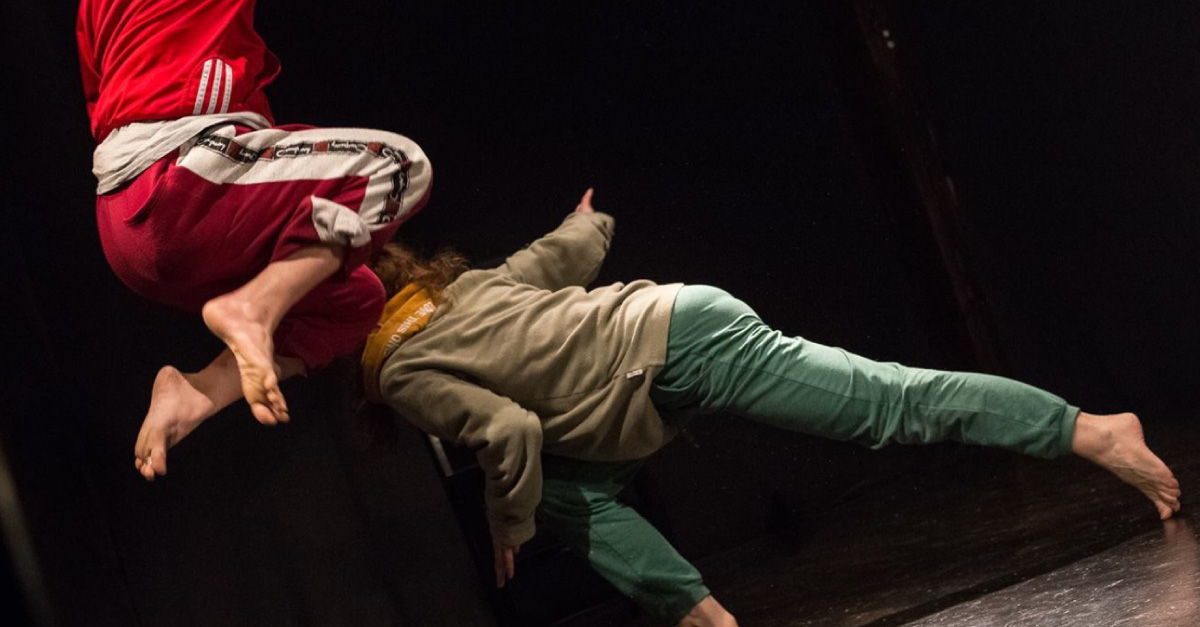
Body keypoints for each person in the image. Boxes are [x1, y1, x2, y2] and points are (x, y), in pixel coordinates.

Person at [361, 189, 1182, 627]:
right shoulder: (458, 290)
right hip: (654, 357)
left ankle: (1091, 430)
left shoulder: (397, 364)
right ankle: (699, 613)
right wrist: (588, 220)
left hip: (683, 348)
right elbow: (559, 254)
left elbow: (507, 431)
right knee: (570, 491)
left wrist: (507, 523)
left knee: (889, 403)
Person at [76, 0, 432, 481]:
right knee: (395, 166)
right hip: (177, 177)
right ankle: (254, 309)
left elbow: (101, 98)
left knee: (355, 300)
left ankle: (198, 392)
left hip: (123, 227)